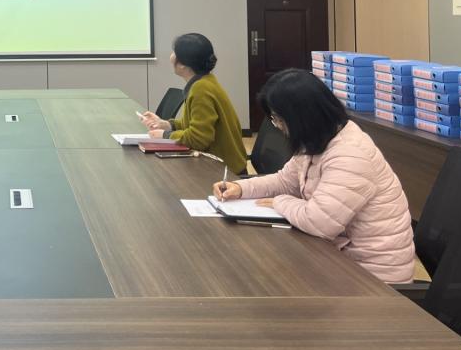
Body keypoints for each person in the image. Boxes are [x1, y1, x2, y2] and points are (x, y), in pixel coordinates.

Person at [213, 68, 415, 284]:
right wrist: (241, 188)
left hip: (374, 279)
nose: (278, 126)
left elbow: (319, 222)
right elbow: (284, 181)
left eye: (278, 119)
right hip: (338, 257)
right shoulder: (318, 139)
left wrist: (280, 202)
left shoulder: (350, 154)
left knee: (264, 280)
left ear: (302, 117)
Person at [140, 33, 247, 174]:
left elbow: (198, 139)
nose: (171, 56)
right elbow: (194, 125)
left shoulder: (200, 89)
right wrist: (167, 125)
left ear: (183, 64)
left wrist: (165, 135)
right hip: (217, 165)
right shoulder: (205, 81)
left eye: (174, 52)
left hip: (224, 173)